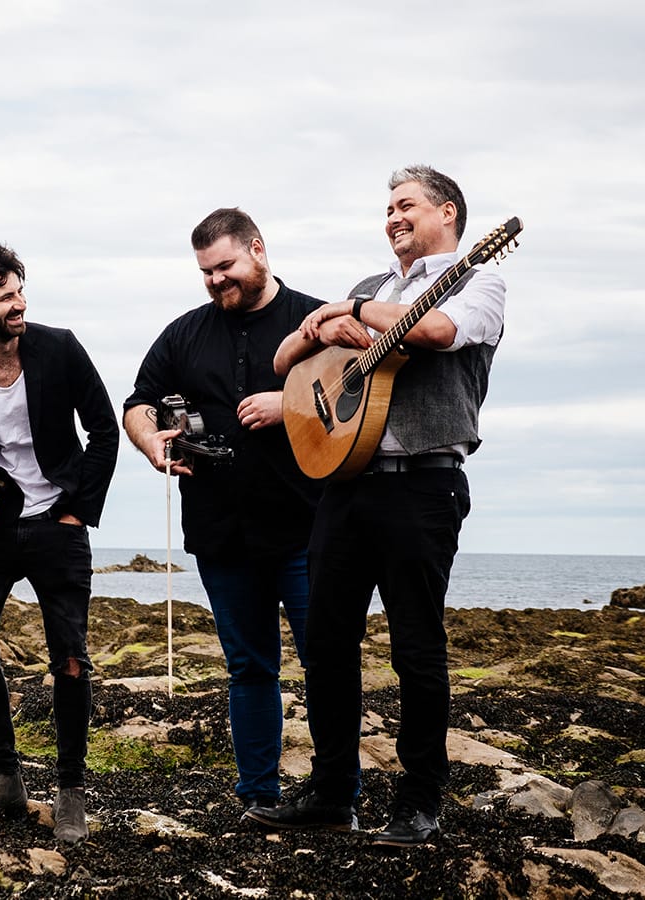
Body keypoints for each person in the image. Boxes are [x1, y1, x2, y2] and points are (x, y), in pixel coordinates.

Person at [258, 165, 507, 846]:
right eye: (387, 209)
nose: (392, 217)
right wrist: (317, 329)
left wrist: (357, 315)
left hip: (423, 484)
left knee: (415, 649)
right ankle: (334, 794)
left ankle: (419, 801)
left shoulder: (479, 278)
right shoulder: (367, 287)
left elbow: (437, 332)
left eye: (405, 205)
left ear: (447, 212)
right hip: (345, 484)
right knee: (326, 643)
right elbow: (286, 362)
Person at [123, 208, 325, 818]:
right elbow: (138, 403)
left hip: (309, 528)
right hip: (219, 532)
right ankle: (259, 796)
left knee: (327, 664)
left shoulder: (318, 320)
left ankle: (336, 796)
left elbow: (357, 401)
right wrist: (151, 441)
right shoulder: (183, 333)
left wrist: (287, 405)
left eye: (226, 266)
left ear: (259, 250)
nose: (216, 280)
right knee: (249, 667)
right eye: (206, 271)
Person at [0, 244, 118, 845]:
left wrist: (75, 511)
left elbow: (104, 430)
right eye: (4, 295)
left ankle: (70, 791)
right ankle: (6, 778)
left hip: (55, 522)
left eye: (19, 290)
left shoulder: (58, 347)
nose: (19, 303)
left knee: (70, 657)